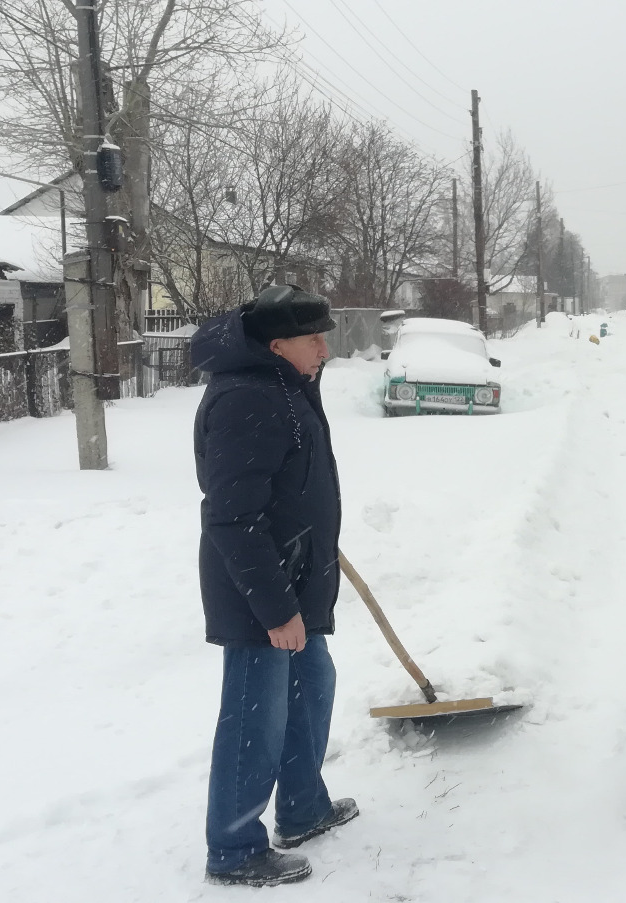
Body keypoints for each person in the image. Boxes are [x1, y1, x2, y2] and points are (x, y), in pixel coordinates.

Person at [192, 285, 359, 887]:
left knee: (313, 683)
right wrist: (274, 609)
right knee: (253, 717)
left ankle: (302, 806)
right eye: (314, 338)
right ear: (276, 343)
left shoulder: (283, 387)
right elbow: (232, 518)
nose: (325, 349)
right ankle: (233, 850)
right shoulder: (249, 400)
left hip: (295, 575)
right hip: (260, 591)